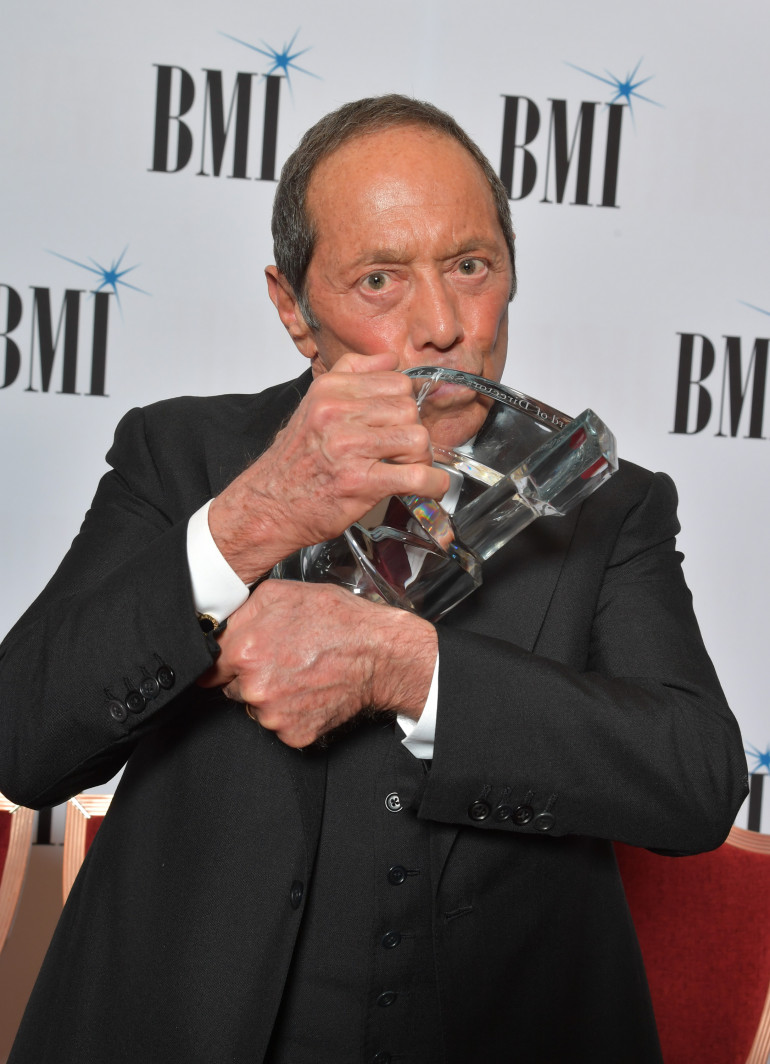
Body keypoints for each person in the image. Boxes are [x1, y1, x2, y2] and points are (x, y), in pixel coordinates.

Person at [0, 95, 748, 1064]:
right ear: (292, 309)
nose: (441, 326)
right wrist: (249, 522)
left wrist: (411, 668)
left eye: (470, 266)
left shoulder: (609, 504)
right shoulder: (180, 451)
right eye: (379, 280)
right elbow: (23, 743)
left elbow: (695, 781)